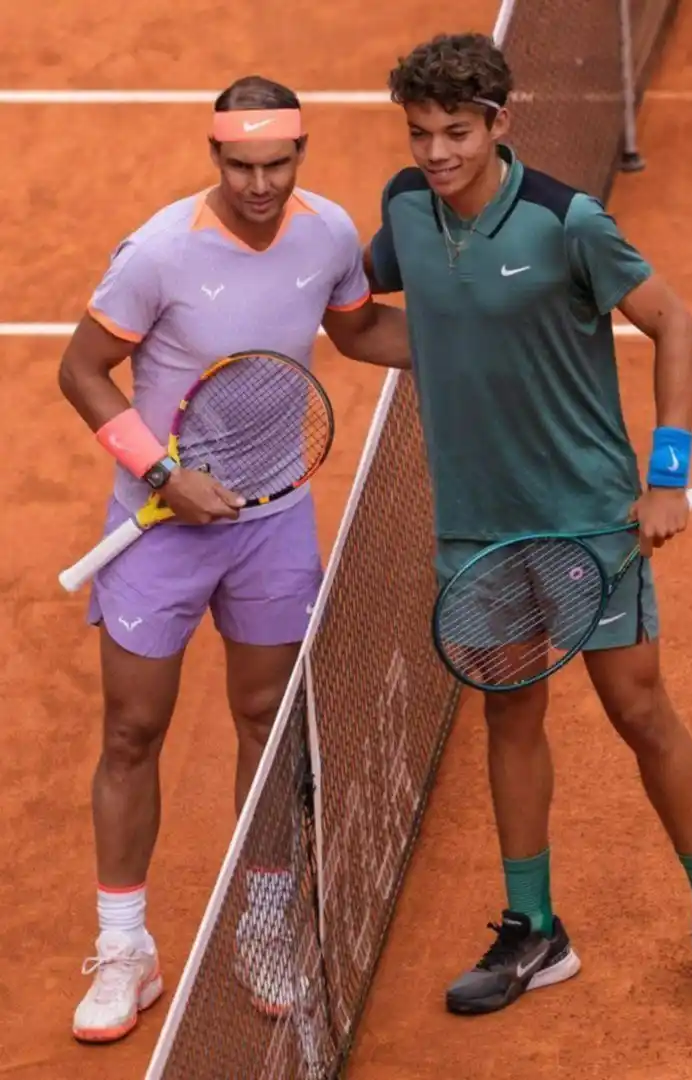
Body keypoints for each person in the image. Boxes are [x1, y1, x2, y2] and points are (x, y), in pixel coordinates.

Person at [362, 33, 692, 1025]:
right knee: (509, 715)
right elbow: (366, 316)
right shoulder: (404, 209)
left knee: (640, 712)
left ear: (500, 121)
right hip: (477, 527)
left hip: (586, 518)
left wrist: (666, 476)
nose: (437, 153)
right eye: (420, 134)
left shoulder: (567, 221)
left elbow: (675, 325)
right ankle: (534, 928)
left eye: (457, 133)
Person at [58, 74, 411, 1044]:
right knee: (132, 730)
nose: (261, 184)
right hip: (160, 528)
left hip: (273, 523)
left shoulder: (329, 234)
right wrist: (163, 474)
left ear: (301, 154)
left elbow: (358, 330)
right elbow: (81, 370)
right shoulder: (158, 253)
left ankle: (262, 925)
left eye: (278, 164)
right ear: (214, 155)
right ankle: (125, 947)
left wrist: (471, 342)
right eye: (243, 165)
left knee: (267, 722)